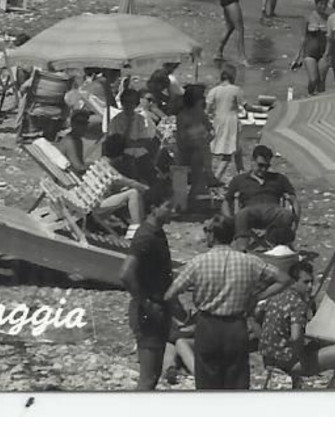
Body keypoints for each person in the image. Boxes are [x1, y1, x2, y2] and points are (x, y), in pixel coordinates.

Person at [163, 216, 287, 391]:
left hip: (208, 326)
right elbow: (284, 279)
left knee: (207, 381)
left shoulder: (198, 262)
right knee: (236, 382)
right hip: (236, 327)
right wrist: (257, 297)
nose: (205, 235)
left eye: (207, 231)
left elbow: (169, 294)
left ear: (213, 235)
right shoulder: (249, 261)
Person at [259, 260, 335, 389]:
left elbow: (258, 317)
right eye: (305, 282)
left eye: (311, 282)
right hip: (290, 363)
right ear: (294, 282)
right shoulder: (297, 303)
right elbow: (296, 337)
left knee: (320, 345)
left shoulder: (276, 297)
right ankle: (332, 390)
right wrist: (303, 359)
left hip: (269, 359)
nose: (310, 286)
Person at [122, 198, 180, 391]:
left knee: (153, 376)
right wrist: (146, 303)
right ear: (154, 207)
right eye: (168, 206)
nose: (173, 211)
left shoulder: (156, 233)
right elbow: (126, 273)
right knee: (147, 379)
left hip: (157, 309)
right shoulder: (145, 236)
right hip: (148, 313)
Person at [226, 144, 299, 248]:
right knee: (242, 215)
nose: (263, 169)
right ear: (252, 161)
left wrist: (295, 224)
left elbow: (294, 200)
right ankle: (242, 251)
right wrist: (230, 219)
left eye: (267, 166)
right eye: (260, 165)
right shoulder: (239, 180)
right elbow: (227, 201)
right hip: (250, 212)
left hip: (273, 212)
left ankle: (281, 252)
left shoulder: (279, 178)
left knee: (285, 214)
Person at [174, 84, 212, 212]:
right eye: (201, 98)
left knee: (198, 176)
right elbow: (181, 137)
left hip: (198, 150)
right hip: (184, 149)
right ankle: (180, 204)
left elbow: (210, 129)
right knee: (181, 177)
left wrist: (206, 139)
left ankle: (190, 200)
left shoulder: (201, 114)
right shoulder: (183, 115)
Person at [207, 66, 245, 181]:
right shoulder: (236, 90)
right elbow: (245, 105)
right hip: (231, 123)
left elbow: (208, 109)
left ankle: (241, 174)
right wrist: (263, 110)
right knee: (228, 154)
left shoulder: (214, 91)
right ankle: (216, 179)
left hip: (218, 121)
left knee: (238, 150)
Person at [292, 0, 331, 94]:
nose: (323, 6)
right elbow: (303, 38)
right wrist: (297, 56)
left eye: (325, 4)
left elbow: (331, 39)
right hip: (310, 53)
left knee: (321, 82)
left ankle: (321, 104)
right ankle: (309, 97)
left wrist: (329, 54)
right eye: (321, 4)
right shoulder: (308, 18)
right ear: (316, 3)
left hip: (324, 53)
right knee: (313, 80)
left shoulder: (329, 19)